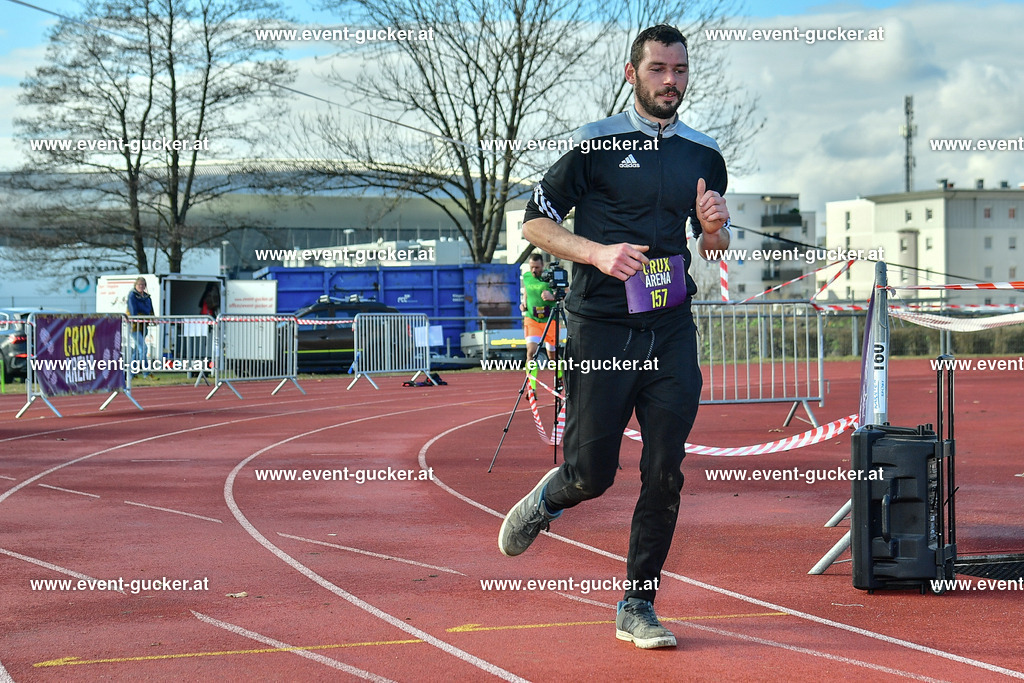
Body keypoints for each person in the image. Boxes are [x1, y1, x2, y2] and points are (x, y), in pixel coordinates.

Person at [497, 24, 731, 650]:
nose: (671, 82)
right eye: (658, 70)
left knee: (665, 469)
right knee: (593, 473)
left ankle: (638, 603)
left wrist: (713, 231)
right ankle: (551, 498)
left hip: (668, 325)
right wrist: (597, 253)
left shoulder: (704, 155)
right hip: (601, 323)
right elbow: (535, 226)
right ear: (632, 74)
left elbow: (713, 244)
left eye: (680, 71)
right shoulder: (593, 143)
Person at [520, 253, 557, 368]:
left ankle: (559, 378)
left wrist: (553, 296)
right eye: (532, 267)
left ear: (543, 265)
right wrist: (524, 302)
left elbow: (567, 292)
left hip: (550, 320)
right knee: (531, 352)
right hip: (532, 319)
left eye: (537, 267)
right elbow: (526, 289)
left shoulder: (551, 277)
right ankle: (531, 385)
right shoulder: (527, 277)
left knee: (552, 356)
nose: (534, 270)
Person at [126, 276, 154, 375]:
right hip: (134, 326)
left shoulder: (147, 297)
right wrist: (139, 317)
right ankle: (146, 372)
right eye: (139, 285)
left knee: (138, 351)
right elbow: (133, 310)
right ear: (135, 285)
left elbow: (150, 310)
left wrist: (153, 318)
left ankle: (131, 373)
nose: (141, 286)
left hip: (144, 325)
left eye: (142, 285)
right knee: (143, 348)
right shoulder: (132, 296)